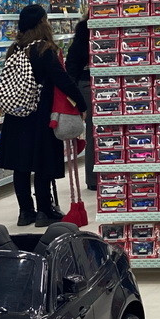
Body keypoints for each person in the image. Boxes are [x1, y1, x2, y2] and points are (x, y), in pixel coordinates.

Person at [0, 5, 87, 227]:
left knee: (20, 166)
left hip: (16, 114)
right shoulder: (43, 49)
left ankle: (25, 212)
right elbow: (62, 79)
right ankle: (44, 211)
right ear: (41, 23)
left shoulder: (15, 49)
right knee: (42, 164)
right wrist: (81, 103)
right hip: (39, 115)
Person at [65, 13, 95, 191]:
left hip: (86, 83)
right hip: (90, 84)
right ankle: (94, 179)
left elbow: (71, 65)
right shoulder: (86, 31)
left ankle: (94, 179)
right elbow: (72, 65)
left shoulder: (82, 31)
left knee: (94, 132)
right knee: (95, 131)